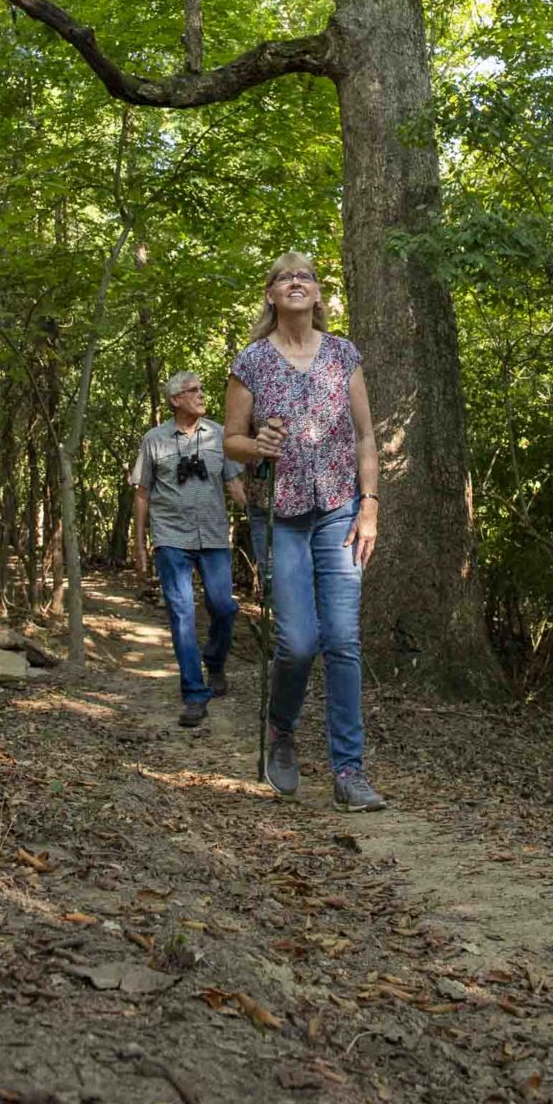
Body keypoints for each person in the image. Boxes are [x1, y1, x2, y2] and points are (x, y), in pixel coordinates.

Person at [224, 252, 386, 812]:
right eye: (285, 277)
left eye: (306, 277)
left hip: (340, 511)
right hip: (279, 516)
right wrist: (256, 444)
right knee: (298, 643)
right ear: (270, 295)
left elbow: (366, 437)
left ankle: (349, 770)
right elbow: (229, 441)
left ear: (318, 295)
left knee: (342, 640)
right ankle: (281, 730)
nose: (297, 283)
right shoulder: (251, 361)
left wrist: (369, 506)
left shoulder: (344, 355)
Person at [132, 371, 246, 728]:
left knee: (224, 607)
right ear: (175, 400)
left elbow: (234, 484)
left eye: (200, 389)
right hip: (171, 539)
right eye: (192, 391)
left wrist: (259, 515)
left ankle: (214, 660)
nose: (200, 394)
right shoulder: (154, 440)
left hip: (213, 538)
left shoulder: (219, 435)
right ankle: (194, 694)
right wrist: (139, 543)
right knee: (182, 614)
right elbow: (142, 492)